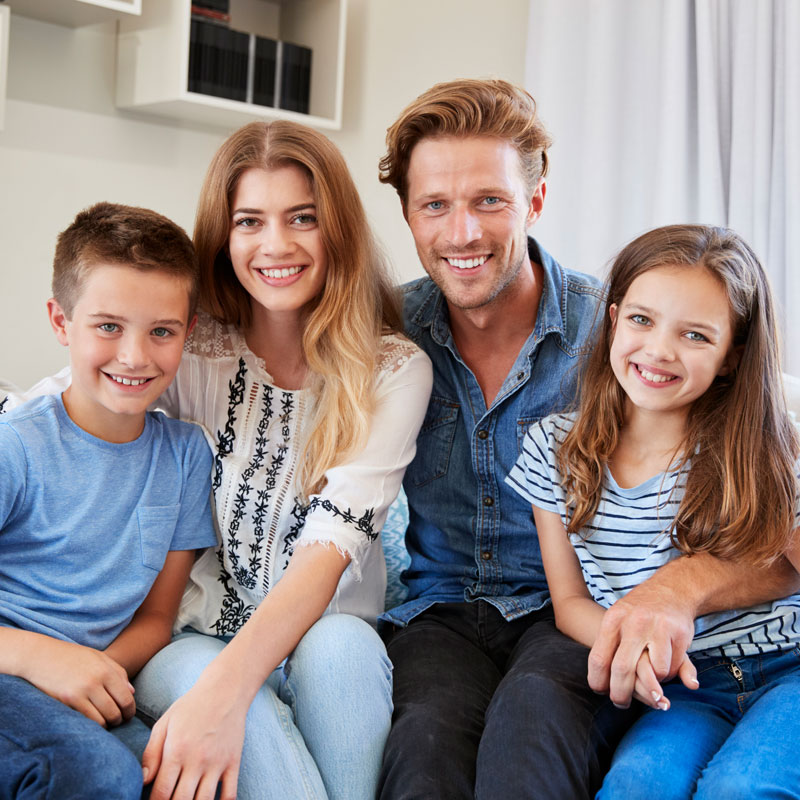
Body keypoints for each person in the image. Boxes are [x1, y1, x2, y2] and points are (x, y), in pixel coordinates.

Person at [376, 78, 800, 799]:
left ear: (535, 202)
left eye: (490, 201)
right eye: (435, 206)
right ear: (410, 217)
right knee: (425, 743)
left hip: (574, 613)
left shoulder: (620, 336)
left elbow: (765, 483)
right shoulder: (387, 336)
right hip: (442, 610)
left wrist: (676, 589)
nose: (463, 233)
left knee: (535, 712)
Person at [126, 121, 433, 800]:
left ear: (337, 231)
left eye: (302, 218)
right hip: (194, 638)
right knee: (230, 701)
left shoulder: (392, 370)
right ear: (224, 236)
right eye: (249, 221)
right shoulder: (192, 348)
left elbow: (331, 548)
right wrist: (223, 694)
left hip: (329, 632)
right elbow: (69, 397)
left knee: (345, 649)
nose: (276, 245)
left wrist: (226, 693)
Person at [507, 224, 800, 799]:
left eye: (695, 335)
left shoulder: (763, 443)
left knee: (743, 787)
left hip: (787, 669)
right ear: (612, 319)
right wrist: (634, 653)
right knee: (637, 786)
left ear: (731, 357)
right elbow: (569, 603)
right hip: (683, 689)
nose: (660, 350)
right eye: (642, 320)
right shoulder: (554, 448)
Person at [0, 202, 217, 799]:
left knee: (170, 777)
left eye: (161, 331)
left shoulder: (186, 457)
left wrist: (97, 673)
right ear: (61, 321)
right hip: (8, 667)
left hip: (92, 681)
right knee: (101, 775)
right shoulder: (16, 447)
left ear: (187, 332)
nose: (134, 356)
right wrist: (43, 661)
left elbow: (155, 618)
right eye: (108, 326)